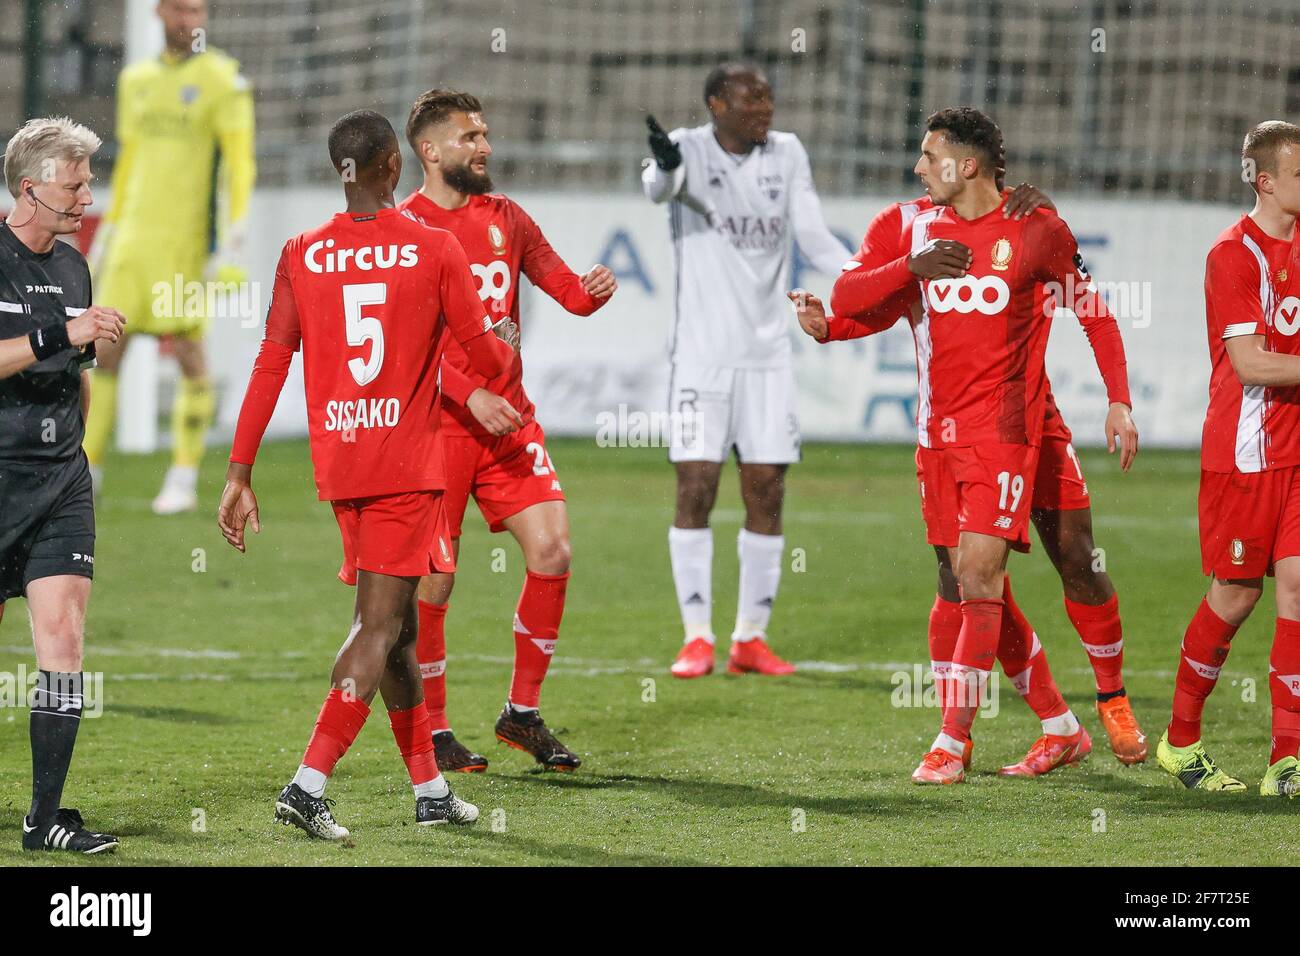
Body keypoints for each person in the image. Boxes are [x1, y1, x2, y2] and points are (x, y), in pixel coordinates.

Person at [217, 110, 514, 838]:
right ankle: (307, 784)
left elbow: (271, 362)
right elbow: (486, 360)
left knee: (400, 630)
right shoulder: (435, 247)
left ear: (340, 169)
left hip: (343, 465)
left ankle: (430, 791)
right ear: (393, 167)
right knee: (377, 628)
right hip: (405, 468)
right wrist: (502, 336)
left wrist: (239, 471)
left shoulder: (302, 252)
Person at [802, 178, 1146, 765]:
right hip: (951, 435)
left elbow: (1086, 301)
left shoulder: (1024, 216)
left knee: (1076, 558)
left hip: (1028, 421)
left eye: (931, 154)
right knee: (966, 579)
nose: (920, 167)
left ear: (966, 162)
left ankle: (1111, 699)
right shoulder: (904, 224)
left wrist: (1119, 398)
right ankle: (1048, 725)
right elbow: (867, 300)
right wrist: (835, 325)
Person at [399, 89, 616, 773]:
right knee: (435, 582)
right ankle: (434, 730)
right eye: (469, 137)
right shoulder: (404, 230)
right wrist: (468, 393)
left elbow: (567, 293)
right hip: (435, 432)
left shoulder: (507, 218)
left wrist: (591, 290)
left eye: (485, 135)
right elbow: (405, 347)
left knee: (552, 549)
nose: (485, 147)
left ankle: (521, 714)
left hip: (508, 425)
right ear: (430, 150)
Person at [642, 62, 852, 679]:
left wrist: (872, 278)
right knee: (696, 487)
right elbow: (658, 187)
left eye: (767, 97)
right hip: (700, 360)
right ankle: (696, 638)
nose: (765, 108)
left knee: (766, 491)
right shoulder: (685, 148)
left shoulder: (787, 153)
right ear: (716, 103)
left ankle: (750, 639)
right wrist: (666, 164)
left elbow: (814, 237)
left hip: (767, 359)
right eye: (751, 98)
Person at [1156, 120, 1300, 797]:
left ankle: (1287, 760)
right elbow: (1250, 363)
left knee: (1298, 589)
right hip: (1246, 454)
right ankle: (1180, 741)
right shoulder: (1233, 255)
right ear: (1265, 182)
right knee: (1237, 594)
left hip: (1299, 455)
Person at [0, 116, 127, 852]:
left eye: (87, 182)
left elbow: (78, 373)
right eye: (74, 184)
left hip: (59, 485)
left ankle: (45, 817)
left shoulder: (75, 268)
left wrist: (78, 447)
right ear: (30, 188)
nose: (86, 196)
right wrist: (59, 336)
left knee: (64, 637)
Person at [84, 0, 256, 514]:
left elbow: (239, 165)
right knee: (104, 349)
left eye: (198, 11)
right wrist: (107, 233)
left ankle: (182, 476)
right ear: (159, 12)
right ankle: (87, 470)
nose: (190, 21)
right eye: (181, 10)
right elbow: (130, 161)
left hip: (185, 242)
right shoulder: (135, 80)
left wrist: (233, 244)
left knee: (187, 351)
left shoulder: (224, 79)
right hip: (134, 240)